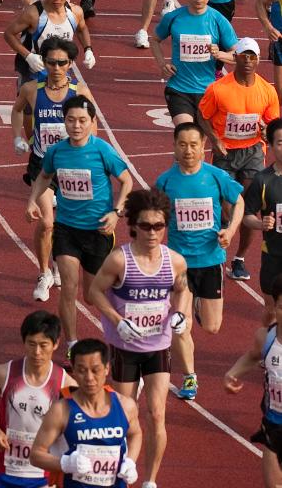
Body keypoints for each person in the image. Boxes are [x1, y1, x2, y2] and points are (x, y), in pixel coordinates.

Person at [89, 187, 189, 488]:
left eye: (158, 226)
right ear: (133, 226)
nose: (152, 232)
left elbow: (183, 289)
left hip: (157, 346)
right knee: (123, 416)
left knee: (157, 414)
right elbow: (94, 291)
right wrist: (117, 321)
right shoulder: (120, 260)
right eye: (145, 226)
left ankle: (150, 481)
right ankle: (118, 471)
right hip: (124, 348)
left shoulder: (175, 262)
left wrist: (180, 314)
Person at [27, 95, 133, 351]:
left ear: (92, 122)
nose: (76, 125)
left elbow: (127, 181)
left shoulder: (102, 150)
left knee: (91, 295)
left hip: (98, 230)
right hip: (67, 229)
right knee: (68, 288)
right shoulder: (56, 152)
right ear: (64, 121)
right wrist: (32, 200)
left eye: (82, 121)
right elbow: (43, 177)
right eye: (71, 120)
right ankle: (72, 344)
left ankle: (122, 321)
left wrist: (116, 213)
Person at [154, 122, 245, 401]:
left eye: (194, 145)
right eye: (183, 144)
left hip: (210, 260)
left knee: (212, 326)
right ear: (174, 147)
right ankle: (190, 377)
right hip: (180, 263)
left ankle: (195, 303)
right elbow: (155, 217)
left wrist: (229, 231)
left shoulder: (216, 177)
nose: (189, 150)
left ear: (203, 147)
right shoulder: (165, 182)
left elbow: (239, 202)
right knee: (179, 324)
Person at [11, 37, 94, 301]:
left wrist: (88, 151)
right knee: (47, 222)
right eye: (51, 62)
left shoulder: (79, 91)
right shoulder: (31, 89)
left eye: (62, 63)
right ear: (43, 62)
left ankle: (57, 261)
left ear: (70, 64)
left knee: (66, 223)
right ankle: (44, 272)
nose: (56, 68)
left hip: (71, 166)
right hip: (42, 165)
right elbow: (16, 110)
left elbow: (93, 122)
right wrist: (17, 136)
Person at [198, 36, 279, 280]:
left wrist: (267, 131)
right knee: (227, 207)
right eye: (244, 55)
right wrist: (214, 140)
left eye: (253, 56)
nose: (248, 60)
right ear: (236, 58)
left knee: (249, 208)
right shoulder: (218, 89)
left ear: (257, 61)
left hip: (253, 151)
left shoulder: (267, 90)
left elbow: (272, 122)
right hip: (226, 152)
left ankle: (239, 259)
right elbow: (202, 116)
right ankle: (220, 238)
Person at [0, 310, 71, 488]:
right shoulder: (4, 373)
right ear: (23, 342)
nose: (37, 352)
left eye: (43, 345)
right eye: (31, 344)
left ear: (56, 344)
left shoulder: (65, 383)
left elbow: (78, 421)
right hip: (5, 469)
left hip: (44, 473)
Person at [30, 339, 141, 488]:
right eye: (82, 371)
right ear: (74, 370)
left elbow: (135, 434)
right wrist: (66, 463)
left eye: (95, 370)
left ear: (107, 368)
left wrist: (130, 461)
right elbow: (36, 455)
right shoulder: (61, 410)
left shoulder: (126, 406)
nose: (89, 378)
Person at [150, 0, 239, 127]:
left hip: (208, 91)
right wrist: (162, 63)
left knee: (199, 143)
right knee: (186, 132)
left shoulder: (219, 20)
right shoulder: (173, 17)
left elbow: (237, 56)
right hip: (178, 88)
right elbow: (155, 40)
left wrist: (220, 54)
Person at [224, 274, 282, 488]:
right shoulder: (265, 338)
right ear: (274, 307)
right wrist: (233, 373)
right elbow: (252, 357)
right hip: (273, 425)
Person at [4, 0, 95, 85]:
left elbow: (82, 29)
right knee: (29, 102)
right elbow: (8, 34)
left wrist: (88, 50)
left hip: (61, 70)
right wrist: (28, 56)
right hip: (34, 70)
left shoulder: (76, 12)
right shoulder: (33, 13)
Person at [242, 119, 282, 316]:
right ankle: (268, 346)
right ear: (272, 145)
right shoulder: (263, 180)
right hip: (273, 256)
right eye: (280, 143)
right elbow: (246, 215)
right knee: (272, 312)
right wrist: (260, 223)